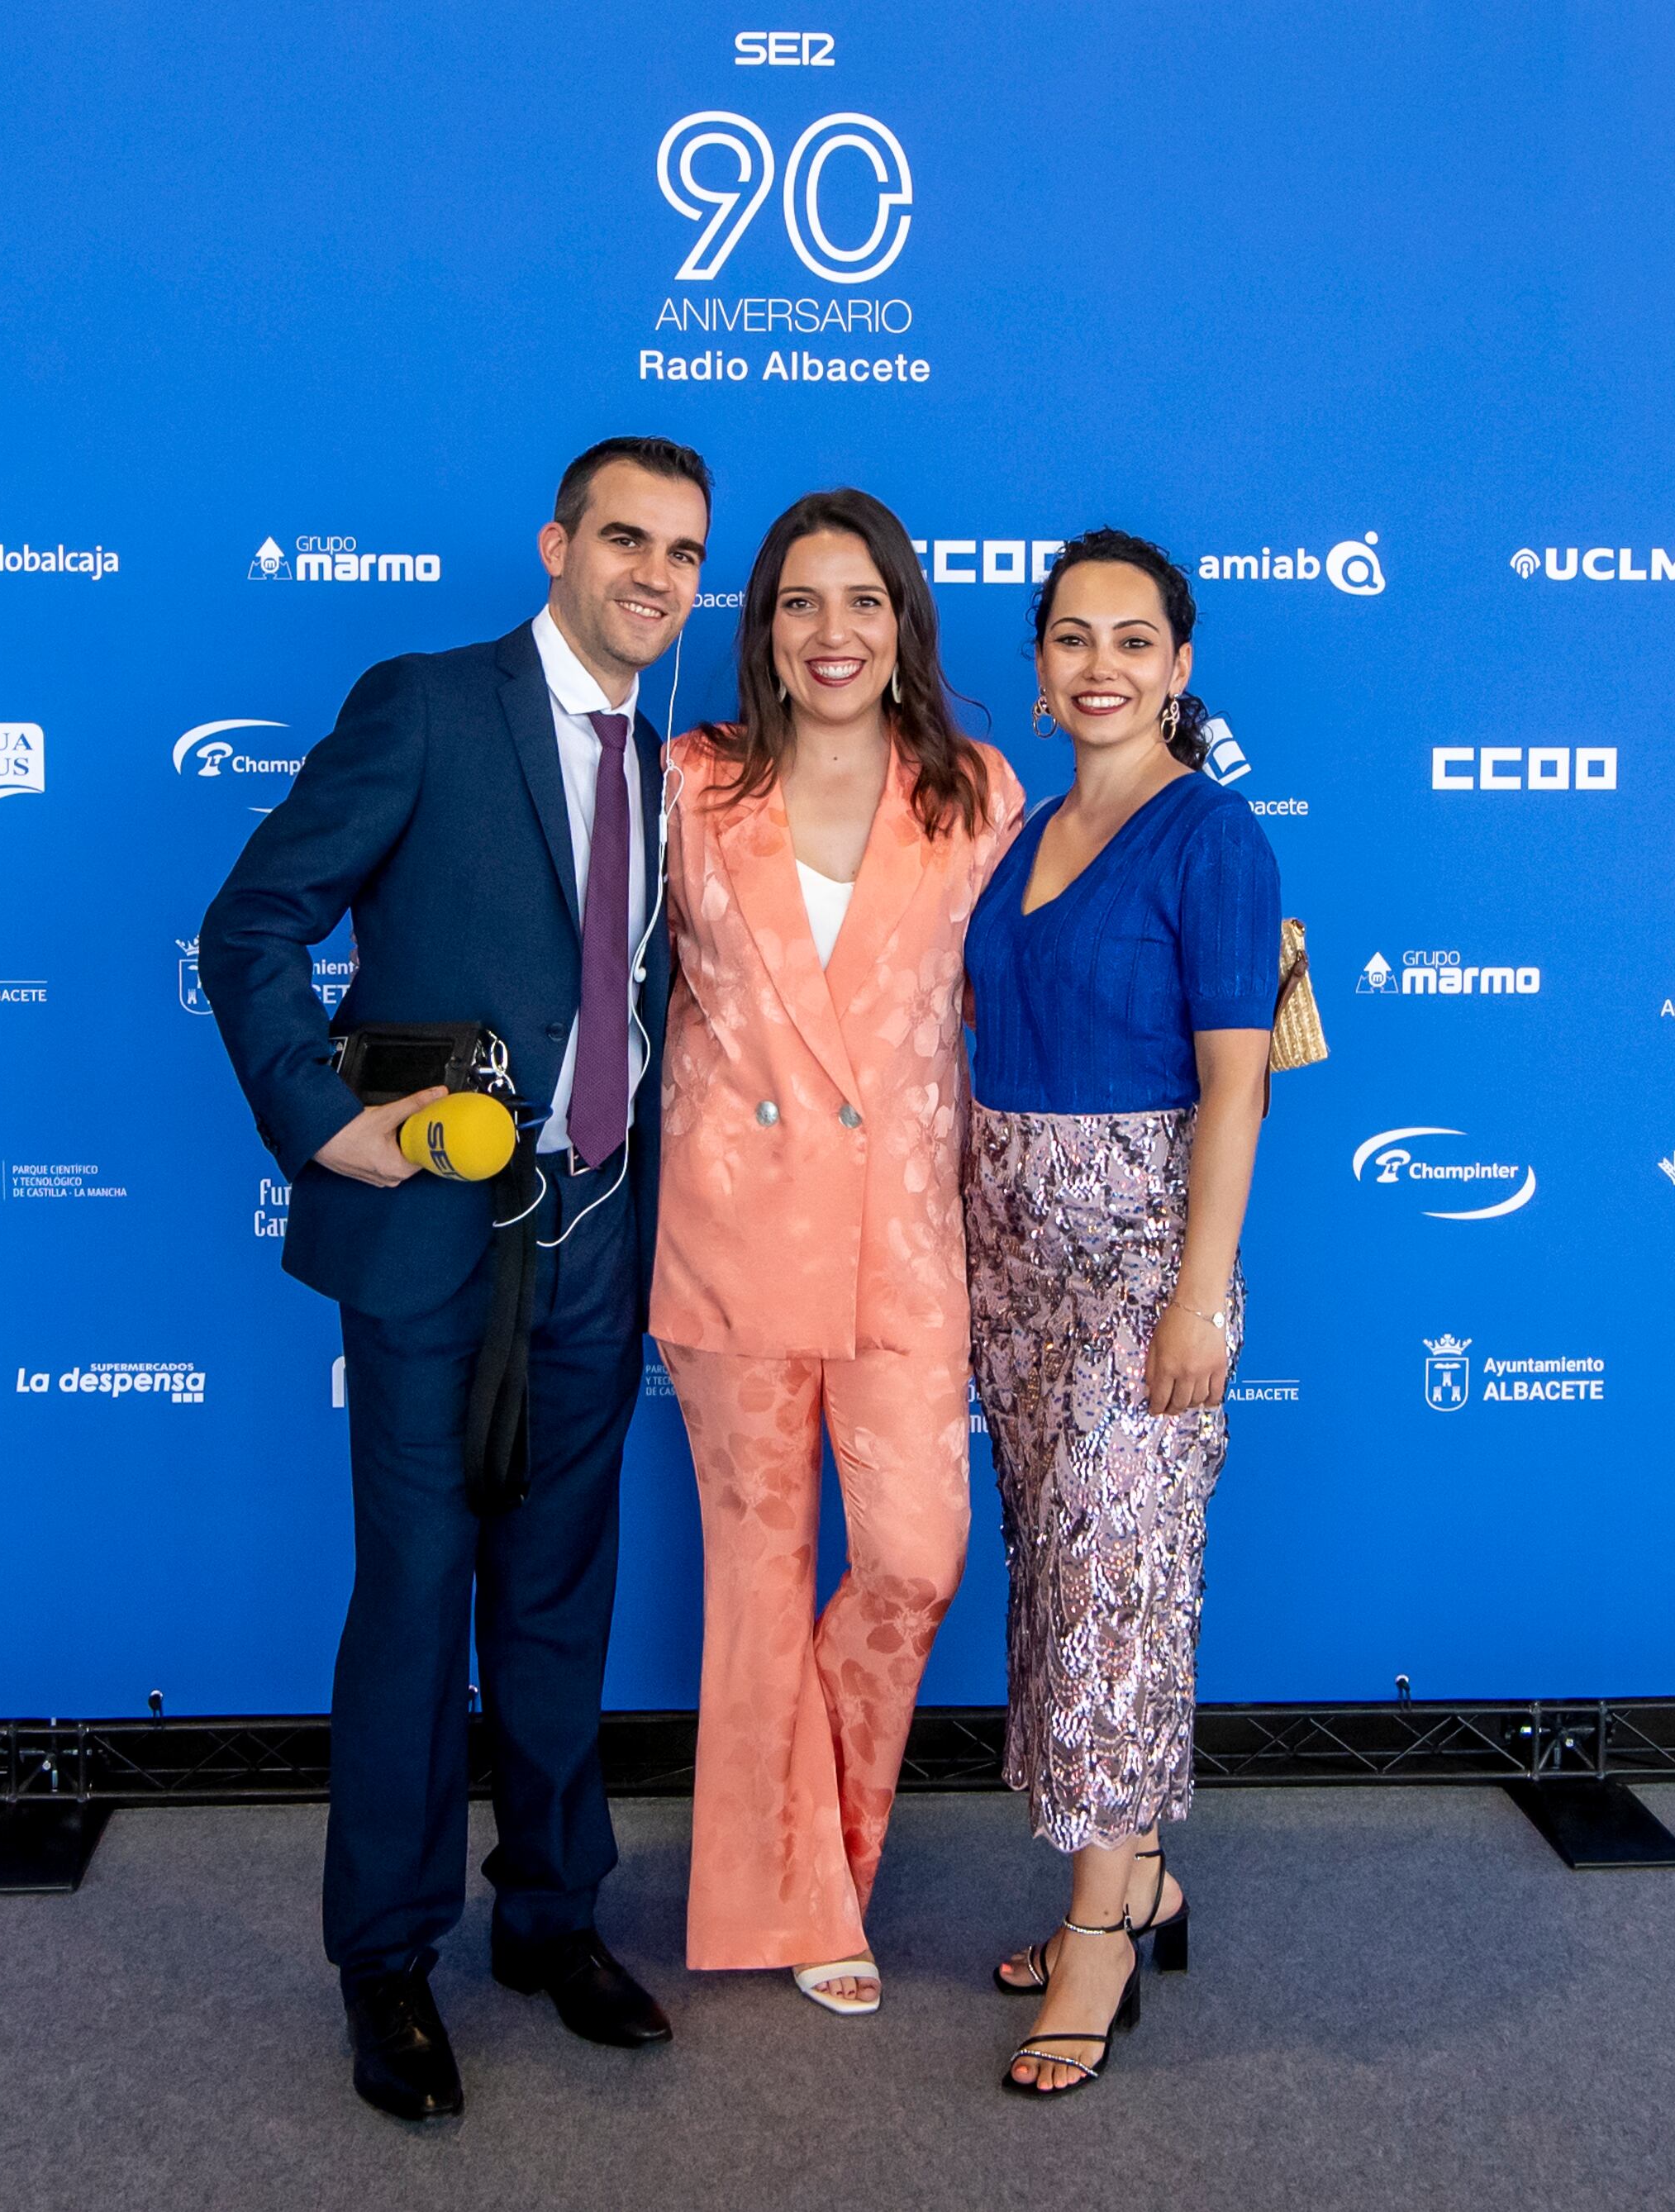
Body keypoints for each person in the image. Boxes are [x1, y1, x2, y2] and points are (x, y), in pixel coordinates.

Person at [198, 436, 708, 2124]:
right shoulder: (426, 701)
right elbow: (251, 919)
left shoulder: (676, 762)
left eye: (683, 550)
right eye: (623, 536)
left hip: (599, 1238)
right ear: (557, 543)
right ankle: (389, 1959)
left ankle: (550, 1916)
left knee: (561, 1591)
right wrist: (325, 1120)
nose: (653, 571)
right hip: (429, 1244)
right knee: (417, 1596)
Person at [650, 489, 1025, 2015]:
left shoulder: (976, 793)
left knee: (914, 1556)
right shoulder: (689, 782)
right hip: (730, 1234)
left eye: (861, 601)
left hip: (904, 1244)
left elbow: (1036, 973)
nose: (831, 633)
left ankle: (823, 1847)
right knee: (753, 1578)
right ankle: (789, 1903)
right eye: (800, 602)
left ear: (903, 623)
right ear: (761, 628)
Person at [960, 527, 1278, 2096]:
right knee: (1063, 1576)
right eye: (1070, 639)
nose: (1099, 665)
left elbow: (1234, 1087)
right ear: (1035, 670)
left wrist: (1200, 1297)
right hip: (1004, 1258)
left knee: (1115, 1586)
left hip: (1144, 1259)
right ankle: (1135, 1870)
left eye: (1132, 639)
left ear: (1180, 663)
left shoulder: (1211, 837)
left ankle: (1099, 1938)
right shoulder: (1019, 830)